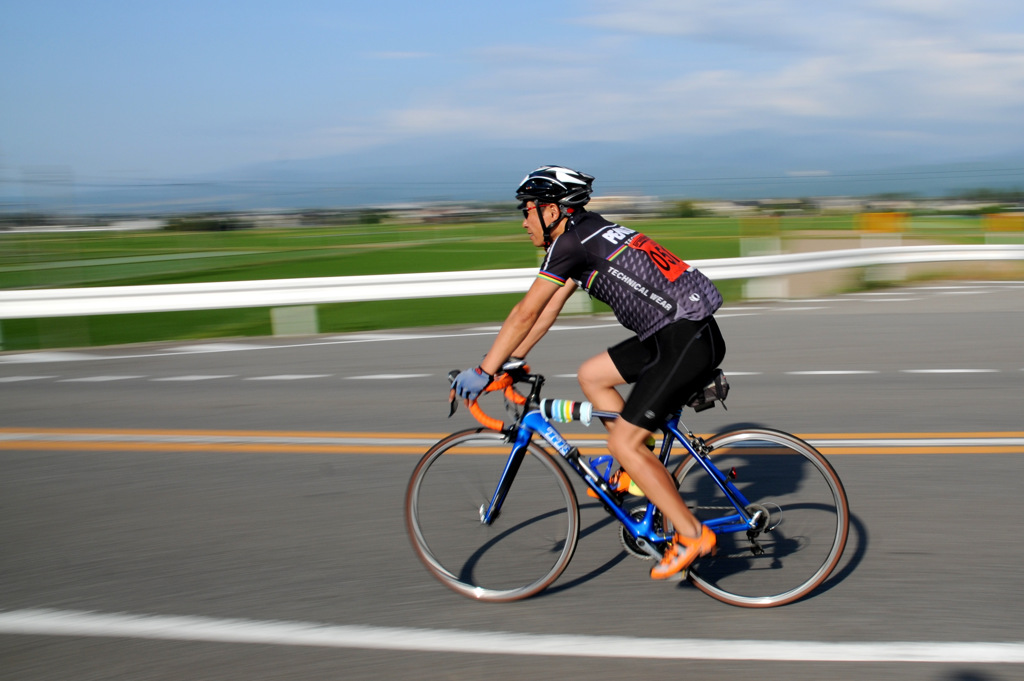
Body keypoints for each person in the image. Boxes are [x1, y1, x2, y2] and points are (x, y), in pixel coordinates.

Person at [450, 165, 726, 580]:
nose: (524, 222)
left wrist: (483, 370)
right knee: (593, 375)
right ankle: (639, 466)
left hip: (682, 339)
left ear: (552, 209)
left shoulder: (572, 243)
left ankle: (691, 533)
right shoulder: (588, 231)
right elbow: (547, 311)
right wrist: (511, 362)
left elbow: (524, 312)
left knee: (624, 445)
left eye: (527, 211)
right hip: (677, 333)